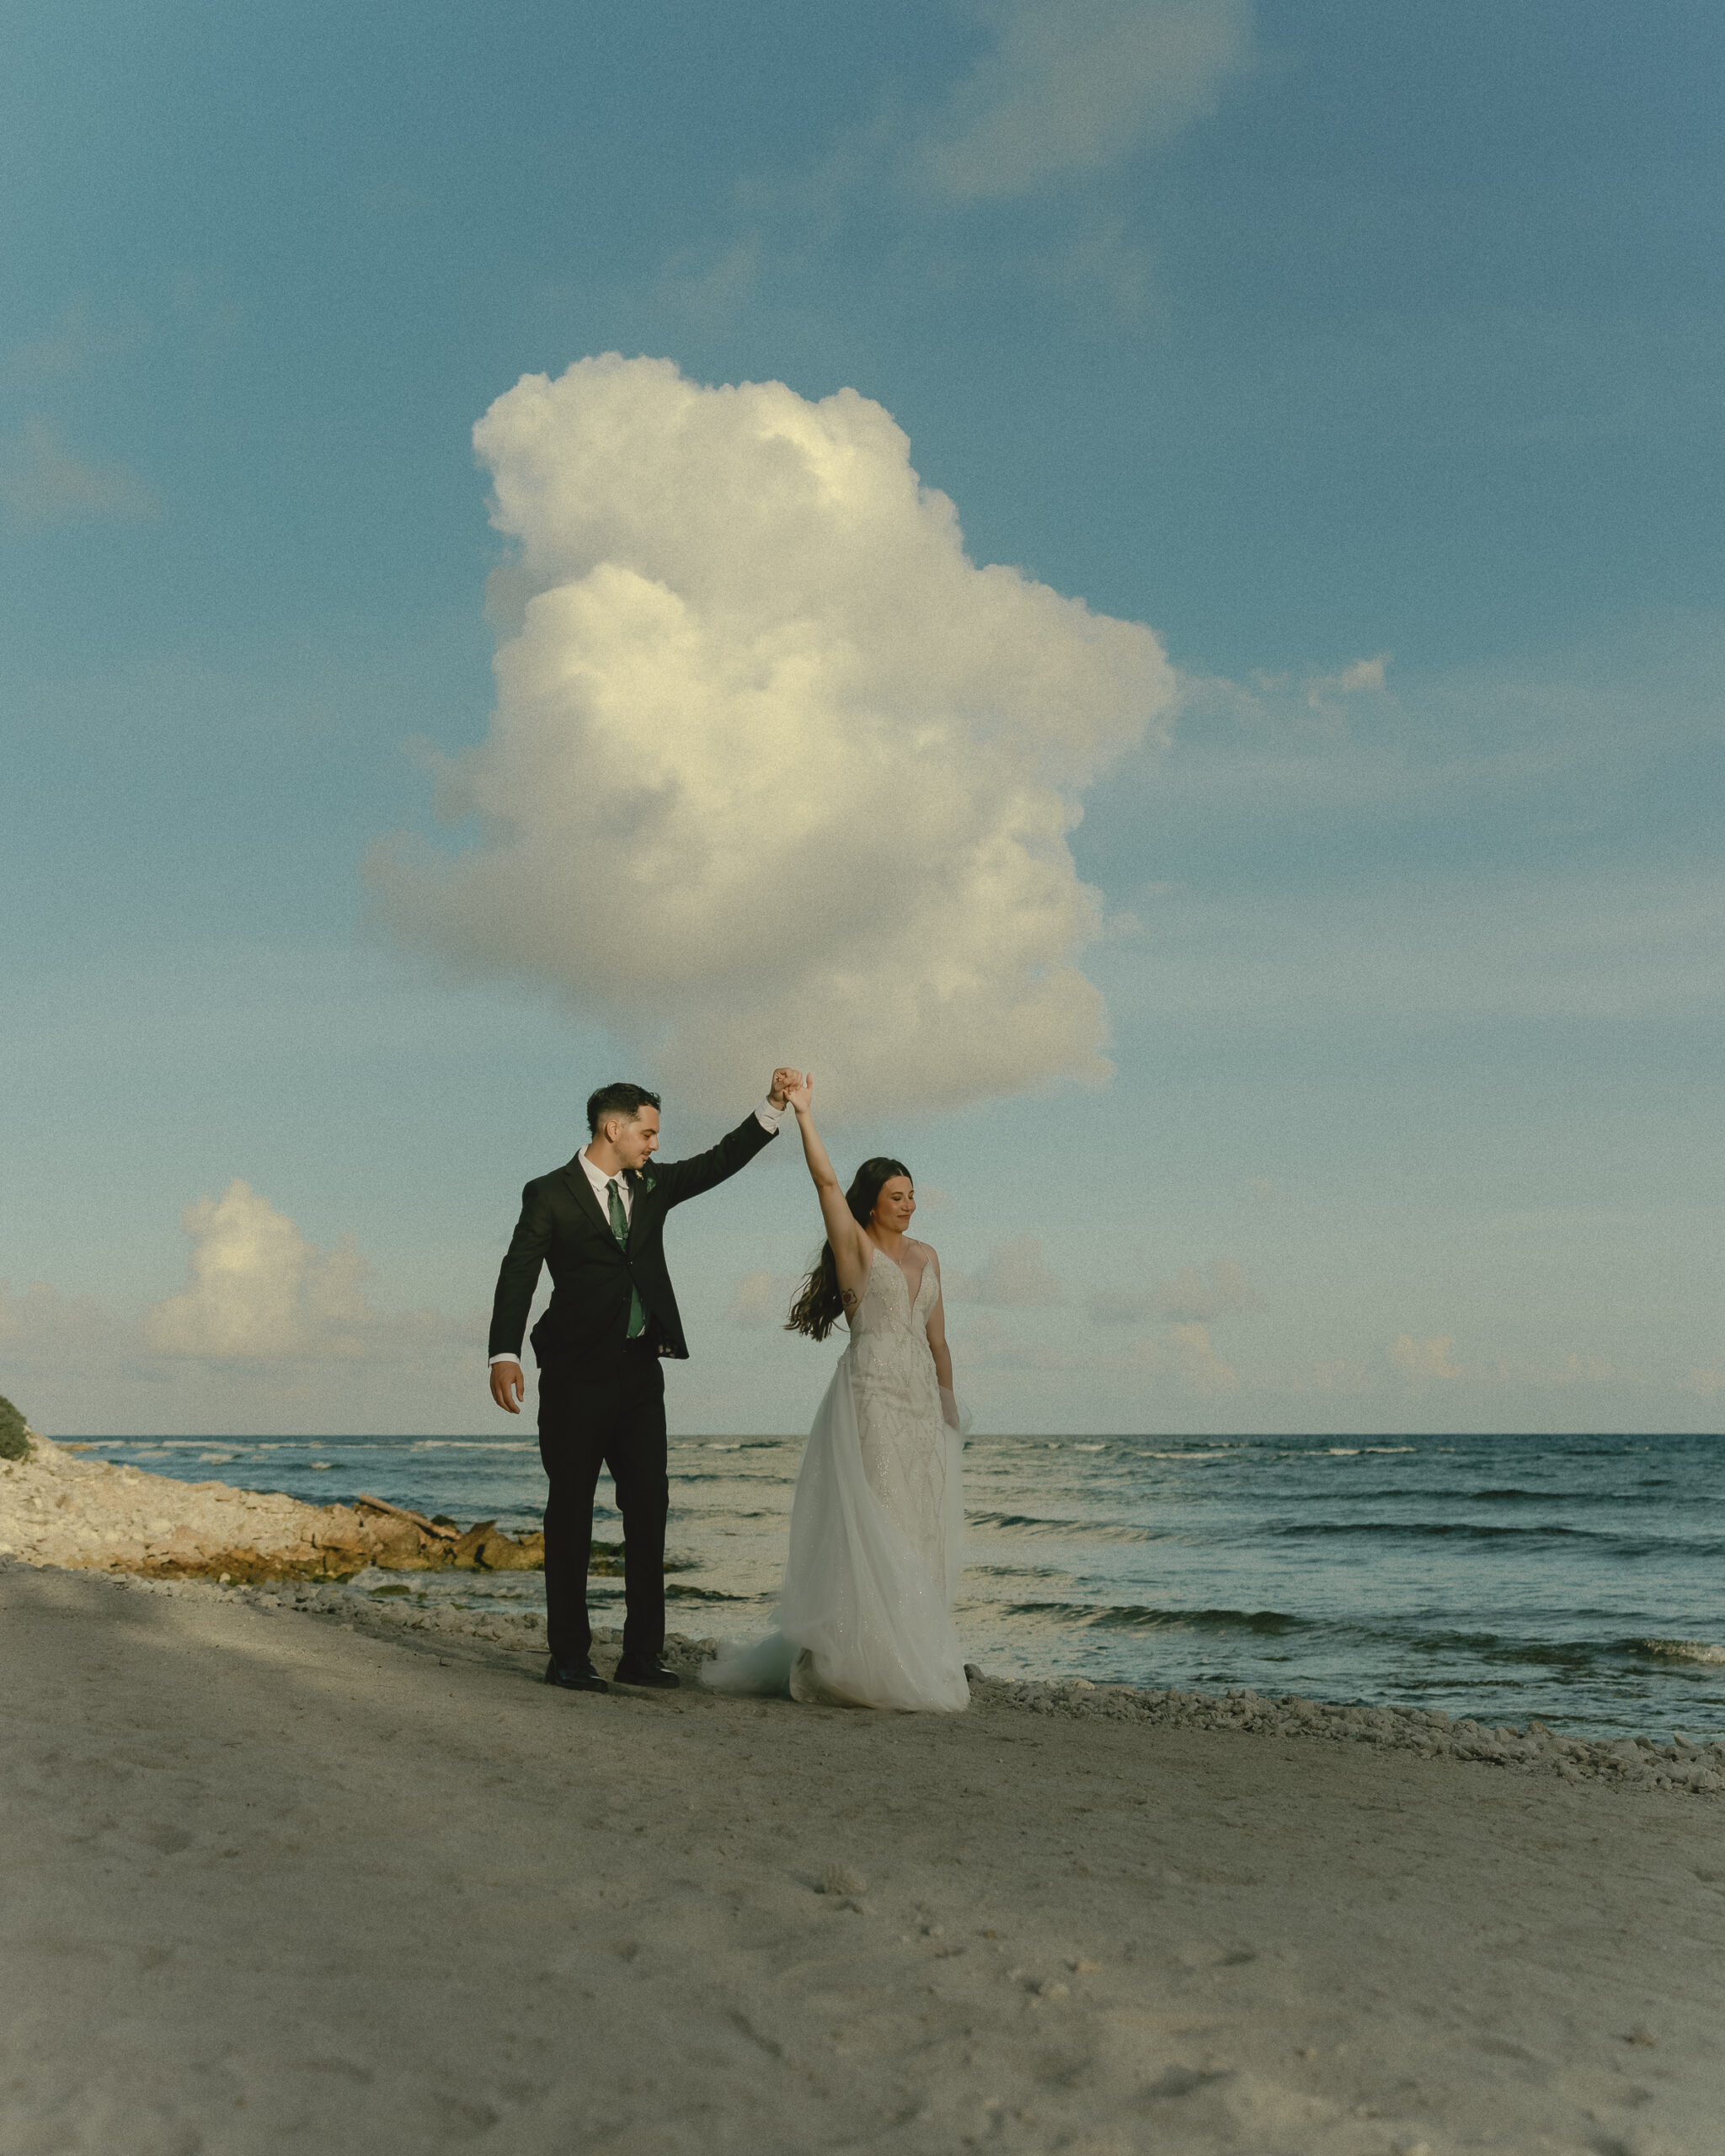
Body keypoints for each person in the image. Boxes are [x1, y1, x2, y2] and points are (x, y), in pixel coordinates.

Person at [489, 1071, 802, 1694]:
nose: (655, 1145)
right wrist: (503, 1353)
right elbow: (518, 1272)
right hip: (575, 1376)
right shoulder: (549, 1193)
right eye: (648, 1132)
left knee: (649, 1510)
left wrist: (772, 1108)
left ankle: (641, 1655)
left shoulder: (652, 1184)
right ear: (615, 1128)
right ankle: (569, 1657)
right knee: (571, 1513)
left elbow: (718, 1163)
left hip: (640, 1374)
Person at [701, 1074, 970, 1712]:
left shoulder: (929, 1256)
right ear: (870, 1203)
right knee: (877, 1518)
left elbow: (938, 1341)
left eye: (912, 1195)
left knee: (919, 1523)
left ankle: (912, 1649)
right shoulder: (853, 1247)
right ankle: (853, 1659)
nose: (908, 1205)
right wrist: (803, 1114)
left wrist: (949, 1400)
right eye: (896, 1196)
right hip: (871, 1394)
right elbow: (825, 1182)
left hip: (919, 1401)